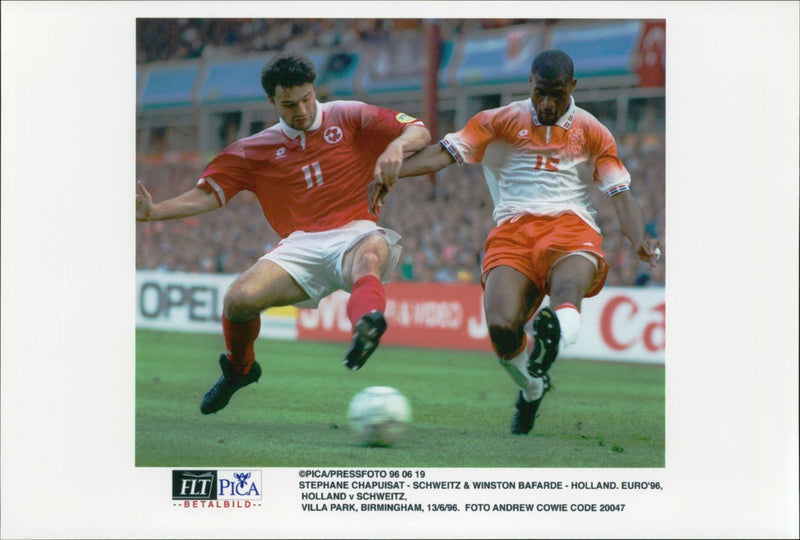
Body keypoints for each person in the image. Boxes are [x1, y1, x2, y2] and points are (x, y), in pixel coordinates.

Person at [370, 49, 661, 435]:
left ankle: (552, 337)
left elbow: (620, 194)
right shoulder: (499, 120)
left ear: (572, 87)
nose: (546, 102)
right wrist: (390, 173)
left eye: (556, 93)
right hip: (512, 231)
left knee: (568, 287)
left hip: (572, 228)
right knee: (502, 330)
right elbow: (442, 154)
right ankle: (533, 386)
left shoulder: (593, 131)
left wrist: (639, 237)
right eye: (540, 92)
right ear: (530, 84)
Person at [137, 53, 430, 414]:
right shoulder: (253, 149)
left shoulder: (350, 115)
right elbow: (208, 195)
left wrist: (396, 147)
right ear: (271, 101)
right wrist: (153, 212)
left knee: (369, 257)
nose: (302, 110)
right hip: (300, 245)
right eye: (289, 104)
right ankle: (240, 370)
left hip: (356, 230)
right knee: (238, 300)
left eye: (307, 98)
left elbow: (419, 129)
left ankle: (366, 326)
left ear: (314, 90)